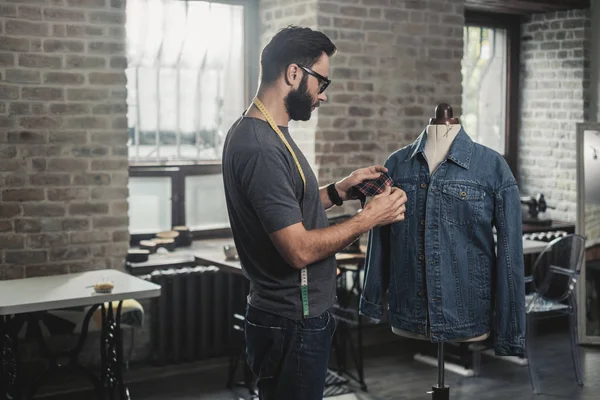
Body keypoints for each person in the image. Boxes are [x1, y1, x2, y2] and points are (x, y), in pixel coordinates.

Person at [222, 26, 407, 400]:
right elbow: (299, 250)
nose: (323, 95)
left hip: (292, 320)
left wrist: (340, 191)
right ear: (293, 73)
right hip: (293, 320)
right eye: (322, 81)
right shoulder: (261, 146)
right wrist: (369, 217)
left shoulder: (264, 133)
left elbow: (285, 208)